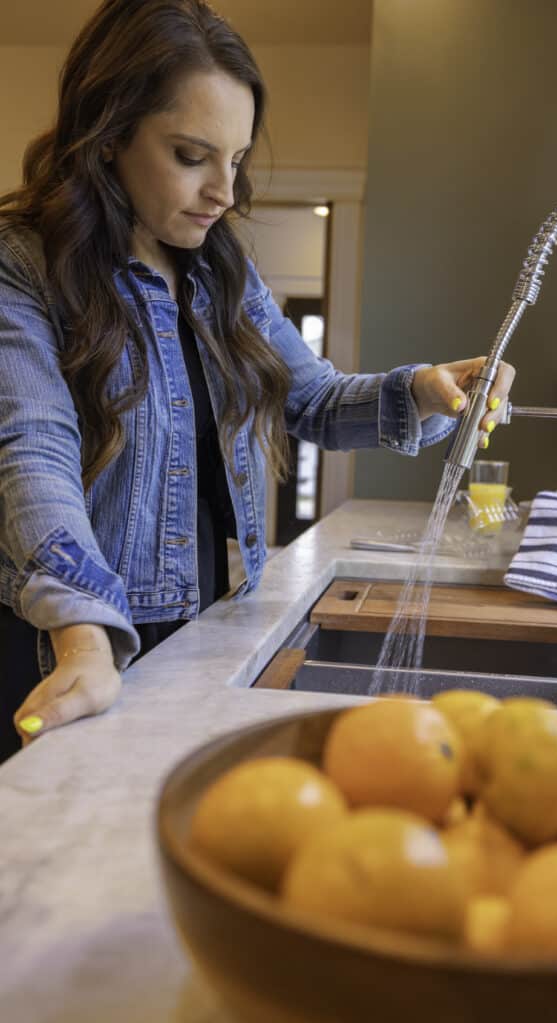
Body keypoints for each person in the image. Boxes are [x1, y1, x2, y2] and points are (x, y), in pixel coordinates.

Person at [0, 0, 515, 761]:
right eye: (190, 155)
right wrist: (85, 636)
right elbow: (31, 453)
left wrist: (426, 389)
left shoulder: (221, 276)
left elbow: (311, 400)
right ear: (109, 137)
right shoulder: (23, 268)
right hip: (67, 652)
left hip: (199, 635)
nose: (224, 191)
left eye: (235, 159)